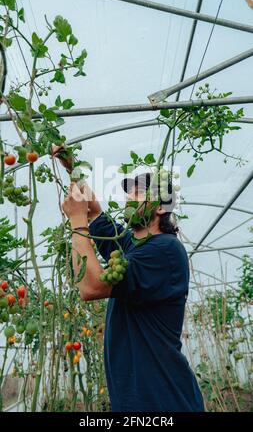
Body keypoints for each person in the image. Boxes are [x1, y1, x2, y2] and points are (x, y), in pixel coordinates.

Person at [54, 146, 204, 412]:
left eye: (139, 192)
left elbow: (90, 287)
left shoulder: (164, 250)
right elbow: (96, 212)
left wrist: (77, 222)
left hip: (163, 402)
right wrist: (71, 166)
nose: (129, 197)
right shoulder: (132, 245)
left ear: (160, 207)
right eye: (129, 192)